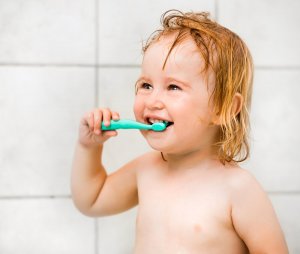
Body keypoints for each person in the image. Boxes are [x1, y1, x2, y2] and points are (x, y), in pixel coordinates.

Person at [71, 10, 288, 254]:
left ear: (224, 108)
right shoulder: (146, 169)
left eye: (173, 87)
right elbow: (92, 200)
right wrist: (89, 147)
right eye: (146, 85)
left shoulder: (239, 189)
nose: (153, 100)